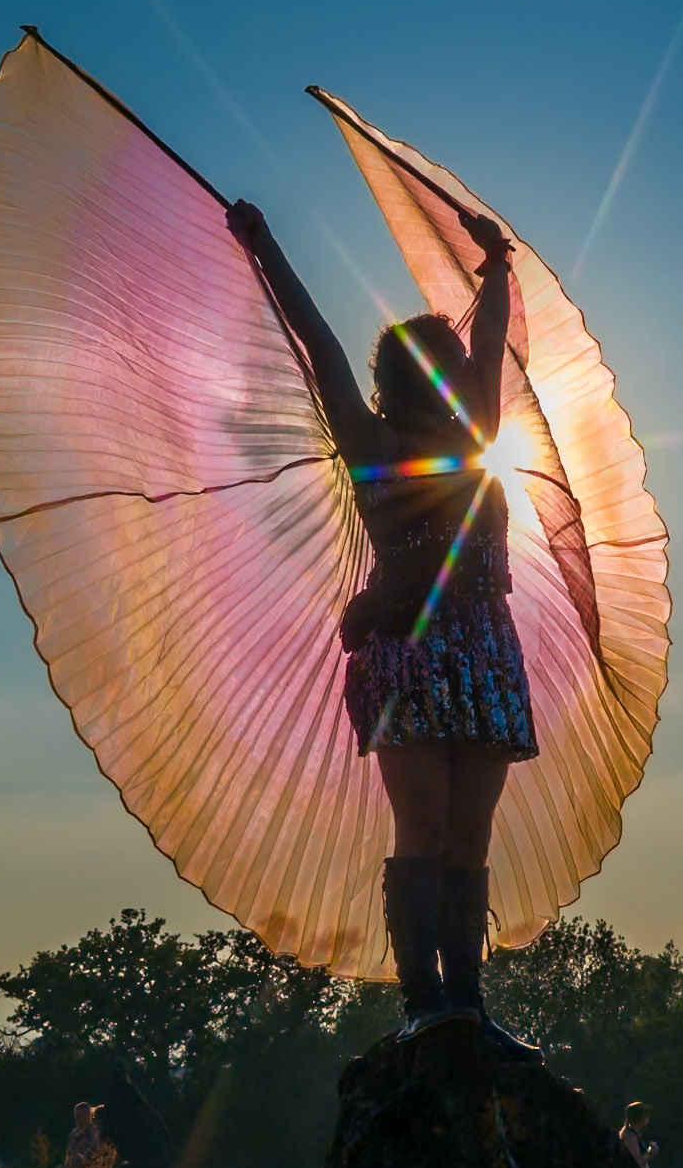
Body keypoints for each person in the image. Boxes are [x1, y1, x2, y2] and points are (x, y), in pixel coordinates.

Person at [225, 199, 540, 1061]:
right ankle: (424, 1000)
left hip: (484, 650)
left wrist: (498, 270)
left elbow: (490, 348)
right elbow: (318, 340)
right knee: (427, 825)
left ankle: (467, 1001)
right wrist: (266, 246)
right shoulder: (366, 442)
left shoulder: (478, 436)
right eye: (437, 365)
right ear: (412, 379)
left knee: (471, 834)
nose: (456, 377)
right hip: (405, 653)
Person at [63, 1101, 103, 1168]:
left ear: (89, 1116)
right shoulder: (73, 1134)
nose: (78, 1119)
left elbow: (94, 1152)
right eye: (76, 1116)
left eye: (81, 1116)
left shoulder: (94, 1133)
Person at [619, 1104, 656, 1168]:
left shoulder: (634, 1134)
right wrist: (651, 1152)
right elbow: (636, 1160)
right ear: (640, 1118)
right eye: (646, 1116)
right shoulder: (629, 1136)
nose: (648, 1118)